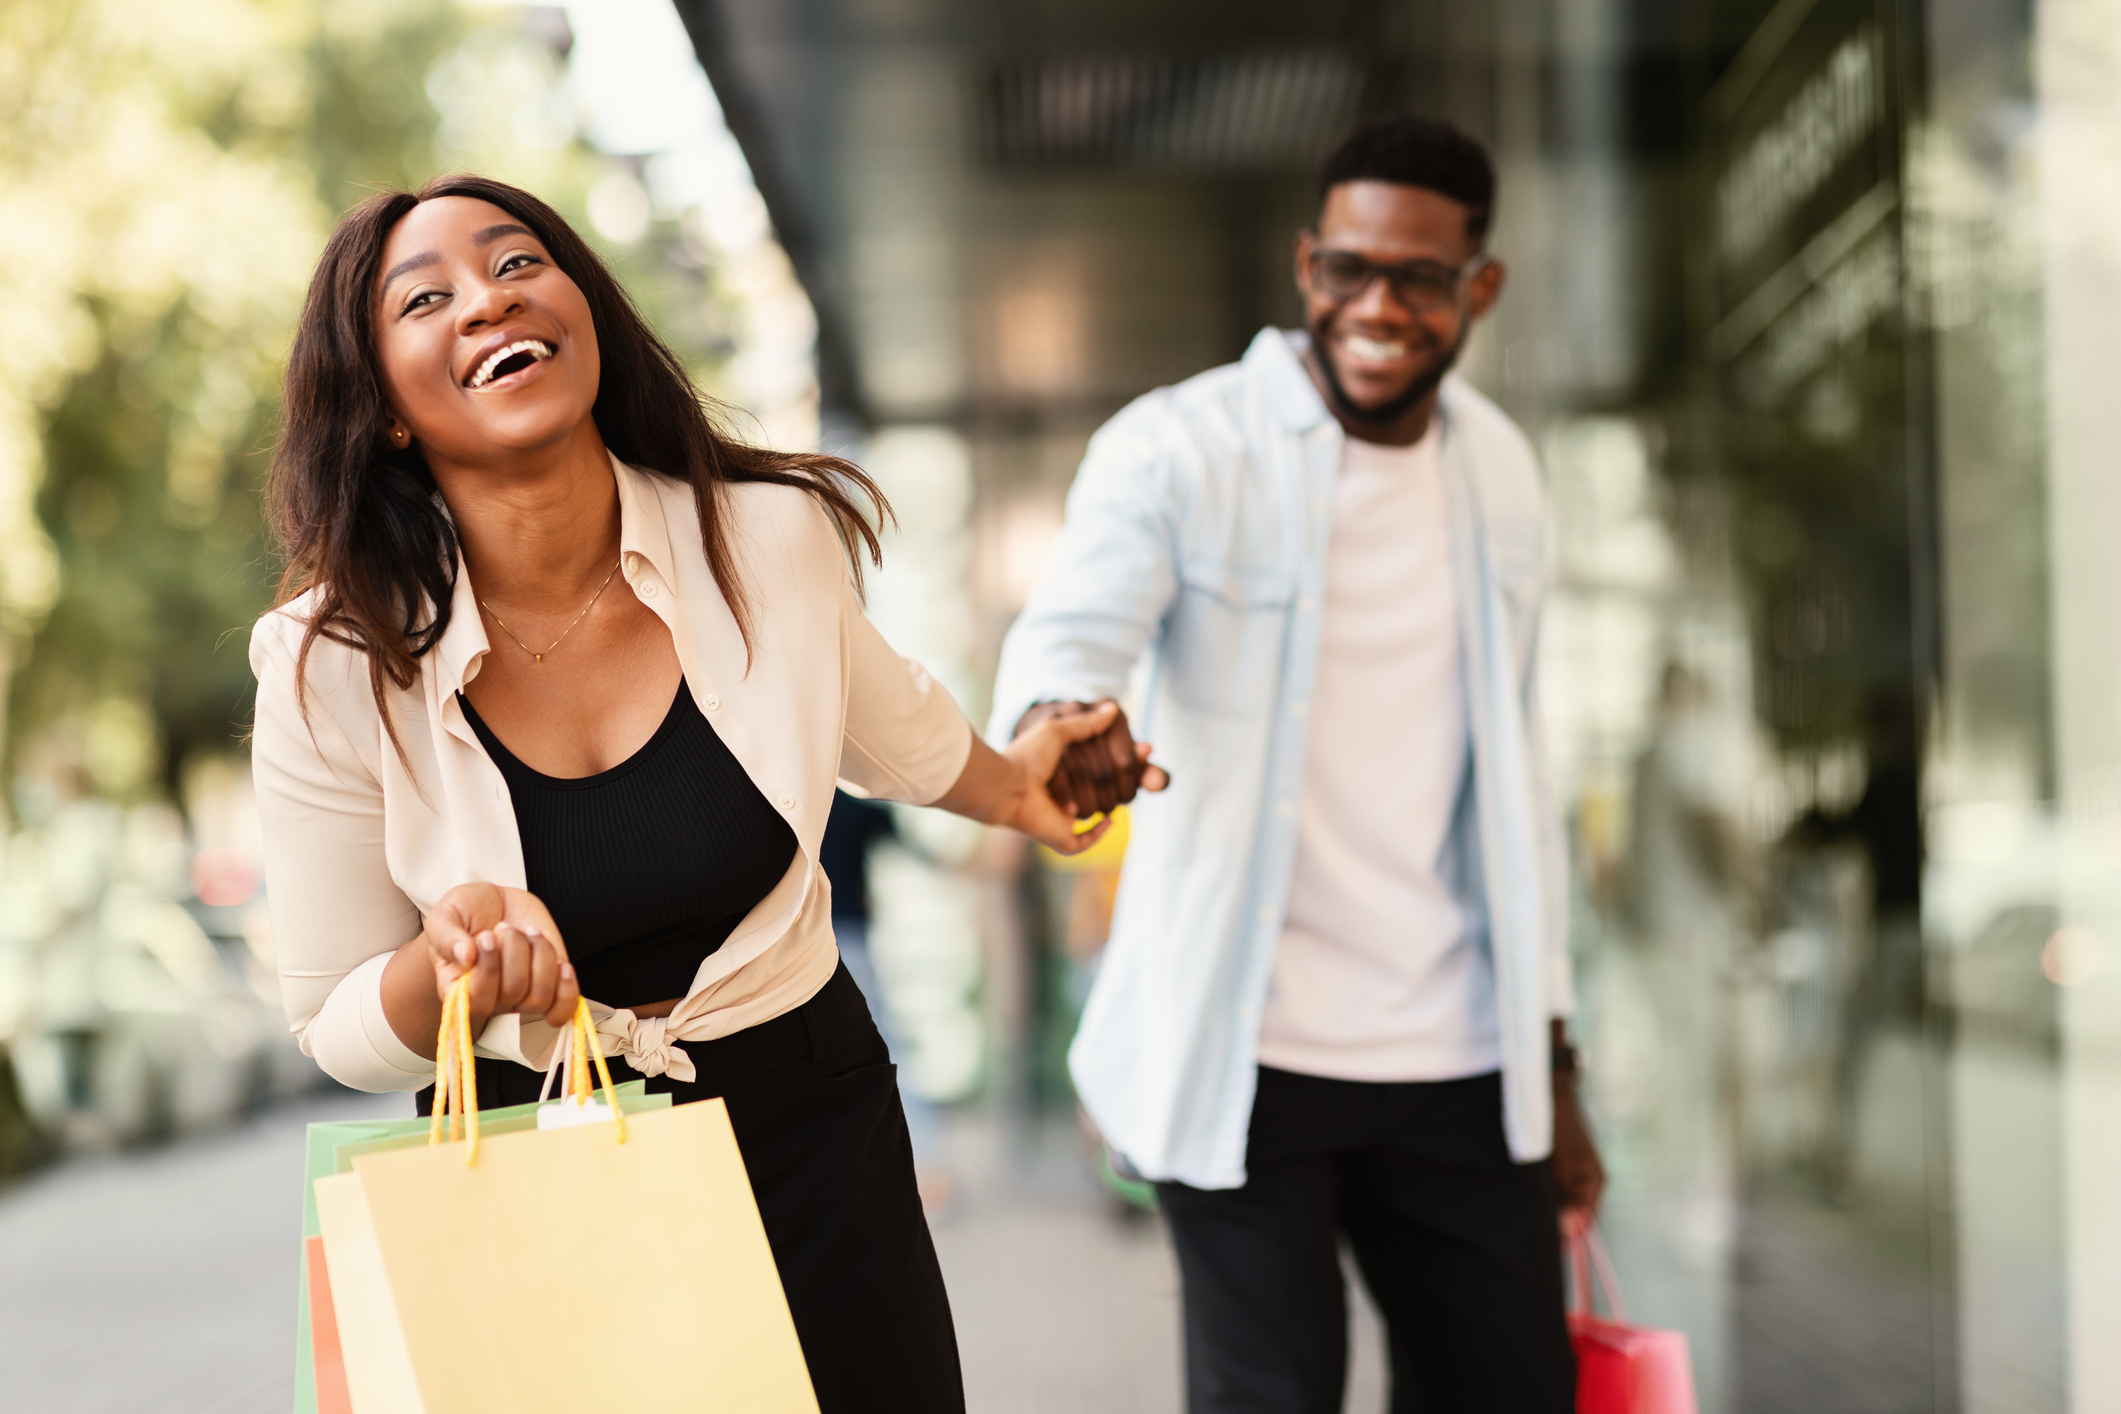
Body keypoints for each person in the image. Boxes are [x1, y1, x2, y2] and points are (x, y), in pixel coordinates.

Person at [249, 174, 1122, 1414]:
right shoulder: (327, 660)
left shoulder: (767, 541)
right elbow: (328, 1020)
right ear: (384, 406)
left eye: (516, 265)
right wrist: (441, 966)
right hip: (527, 1153)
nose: (488, 304)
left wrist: (1024, 789)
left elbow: (899, 728)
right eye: (426, 298)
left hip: (811, 1121)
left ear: (583, 311)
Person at [990, 117, 1604, 1412]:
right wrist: (1064, 708)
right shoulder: (1179, 446)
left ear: (1477, 287)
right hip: (1242, 1052)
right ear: (1305, 263)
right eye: (1349, 269)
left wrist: (1551, 1061)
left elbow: (1519, 779)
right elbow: (1076, 623)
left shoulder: (1499, 467)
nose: (1377, 307)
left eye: (1420, 279)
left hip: (1459, 1052)